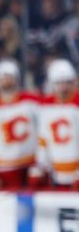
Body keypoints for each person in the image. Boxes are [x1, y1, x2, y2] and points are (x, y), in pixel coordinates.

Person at [0, 60, 40, 189]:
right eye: (2, 77)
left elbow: (44, 133)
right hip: (4, 169)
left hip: (31, 165)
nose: (5, 81)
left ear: (16, 79)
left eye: (9, 77)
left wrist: (41, 166)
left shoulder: (32, 102)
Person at [32, 59, 79, 188]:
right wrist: (41, 166)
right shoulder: (46, 109)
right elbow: (43, 141)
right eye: (59, 83)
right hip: (55, 173)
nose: (64, 87)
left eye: (67, 82)